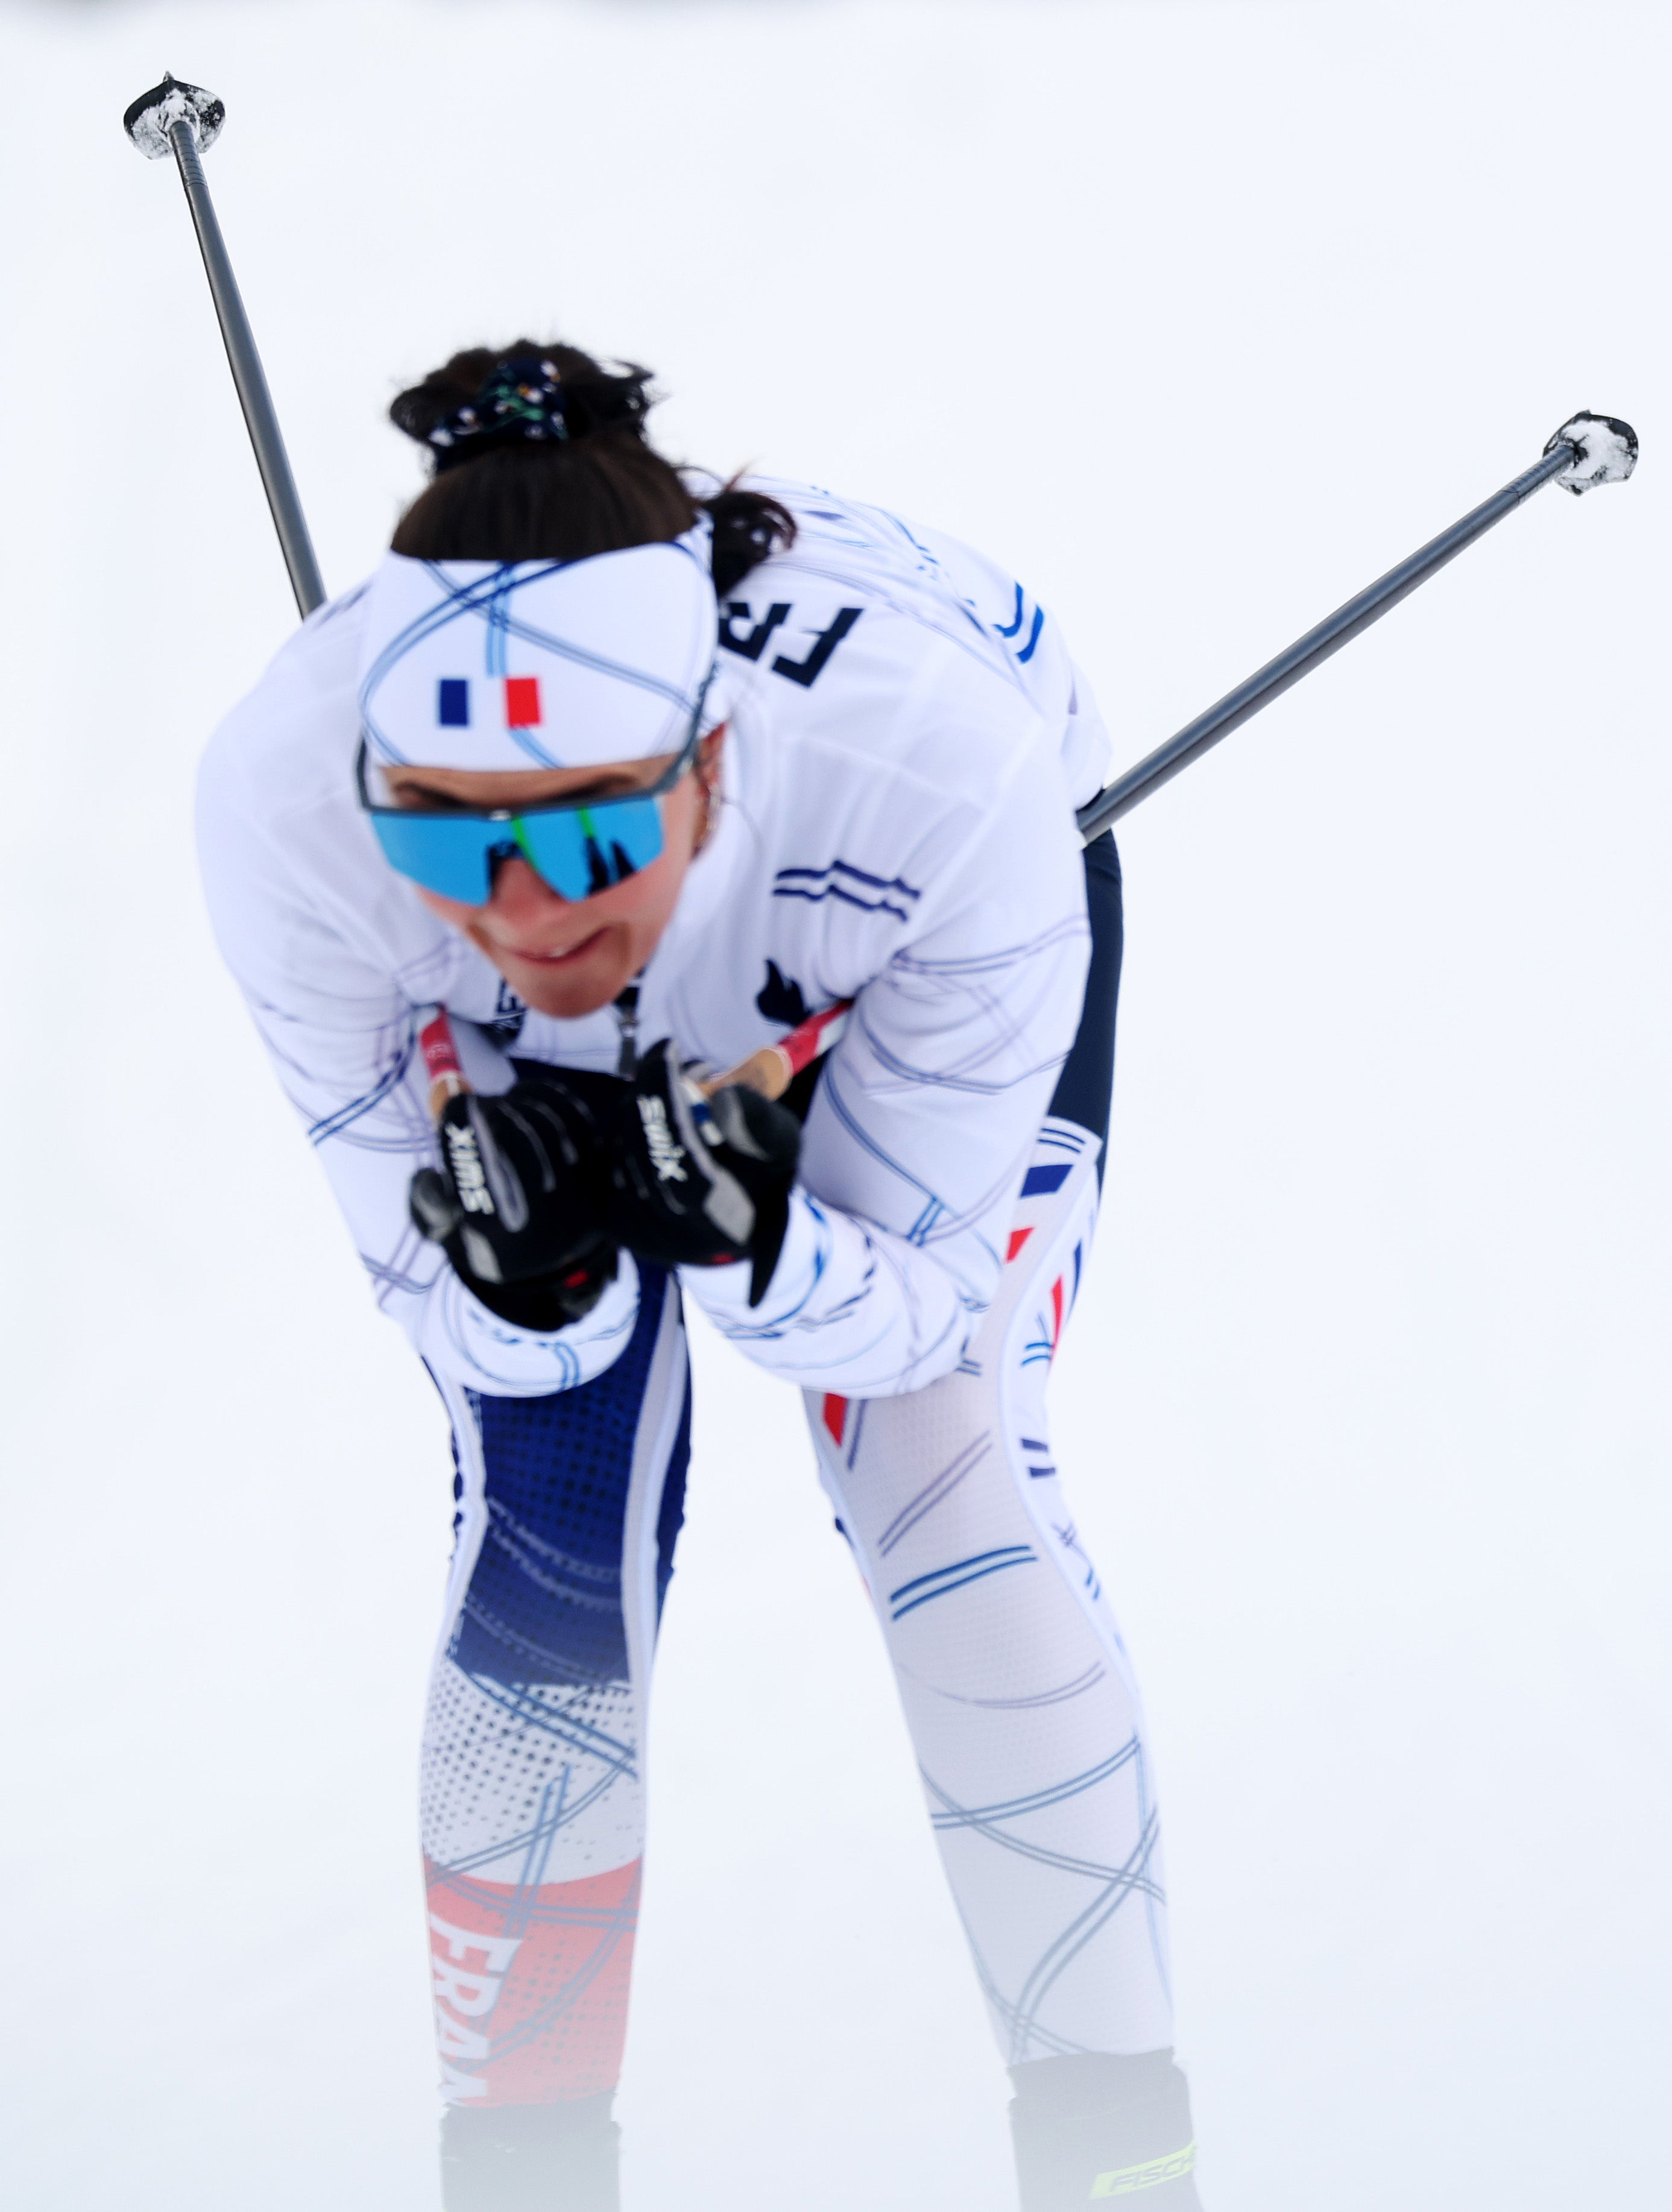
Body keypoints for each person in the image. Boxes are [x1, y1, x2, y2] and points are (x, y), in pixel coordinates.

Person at [195, 347, 1191, 2212]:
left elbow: (911, 1301)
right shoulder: (278, 807)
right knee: (547, 1488)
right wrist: (524, 1281)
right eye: (445, 835)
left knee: (945, 1475)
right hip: (574, 1014)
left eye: (585, 831)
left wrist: (754, 1244)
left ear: (707, 759)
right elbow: (446, 1304)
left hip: (873, 942)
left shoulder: (939, 770)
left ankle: (1126, 2170)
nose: (525, 914)